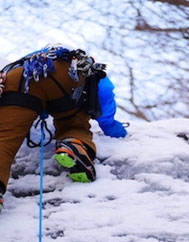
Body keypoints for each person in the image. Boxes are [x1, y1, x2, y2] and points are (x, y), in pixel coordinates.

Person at [0, 44, 127, 212]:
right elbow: (105, 94)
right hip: (67, 80)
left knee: (6, 137)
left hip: (19, 77)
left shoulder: (34, 57)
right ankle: (73, 144)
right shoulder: (88, 69)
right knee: (74, 123)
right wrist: (113, 129)